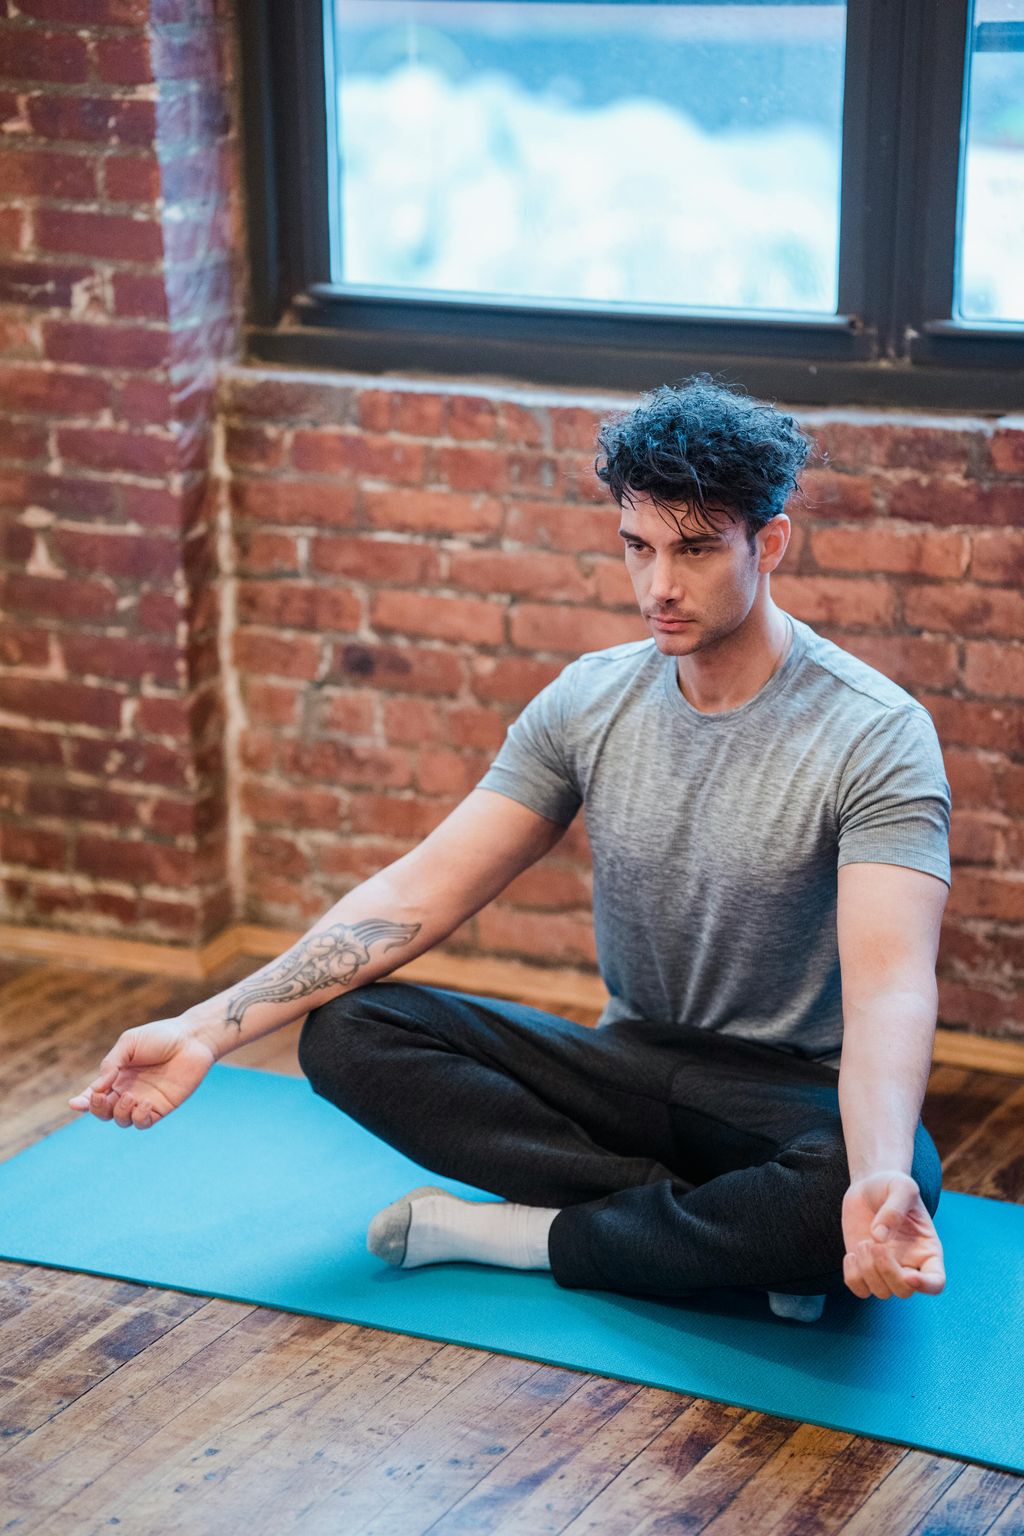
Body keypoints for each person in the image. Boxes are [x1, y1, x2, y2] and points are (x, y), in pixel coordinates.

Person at [69, 372, 951, 1322]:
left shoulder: (875, 734)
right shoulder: (589, 700)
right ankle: (703, 1238)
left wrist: (876, 1177)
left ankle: (523, 1234)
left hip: (781, 1097)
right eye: (638, 547)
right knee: (347, 1031)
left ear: (769, 542)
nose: (659, 585)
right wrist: (205, 1027)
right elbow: (424, 887)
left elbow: (890, 988)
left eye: (695, 550)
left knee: (875, 1182)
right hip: (630, 1064)